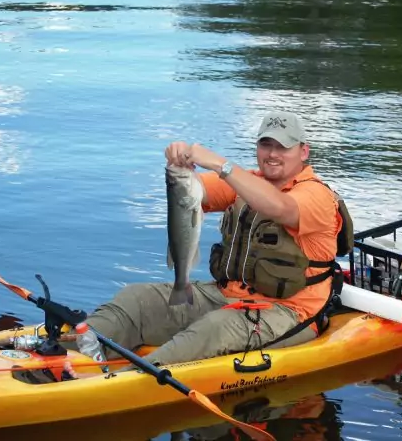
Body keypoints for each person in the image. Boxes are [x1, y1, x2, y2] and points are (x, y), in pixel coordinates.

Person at [83, 111, 349, 366]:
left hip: (287, 311)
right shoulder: (246, 181)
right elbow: (190, 189)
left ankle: (118, 383)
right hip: (226, 294)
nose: (272, 154)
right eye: (266, 145)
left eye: (283, 147)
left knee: (211, 329)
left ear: (303, 151)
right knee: (135, 299)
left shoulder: (318, 196)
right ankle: (69, 351)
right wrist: (179, 164)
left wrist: (220, 164)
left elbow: (280, 208)